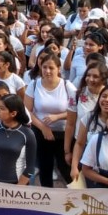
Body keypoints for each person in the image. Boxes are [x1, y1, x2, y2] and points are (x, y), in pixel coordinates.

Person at [24, 52, 76, 187]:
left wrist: (58, 116)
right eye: (44, 67)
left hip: (64, 133)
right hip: (41, 133)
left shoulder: (67, 86)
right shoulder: (34, 85)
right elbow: (27, 111)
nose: (47, 71)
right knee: (45, 168)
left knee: (66, 168)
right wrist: (43, 127)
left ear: (58, 69)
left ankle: (76, 197)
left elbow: (76, 110)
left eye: (51, 68)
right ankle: (48, 200)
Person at [0, 94, 36, 185]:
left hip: (18, 186)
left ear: (13, 113)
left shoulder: (28, 134)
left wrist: (17, 190)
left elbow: (30, 168)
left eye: (2, 108)